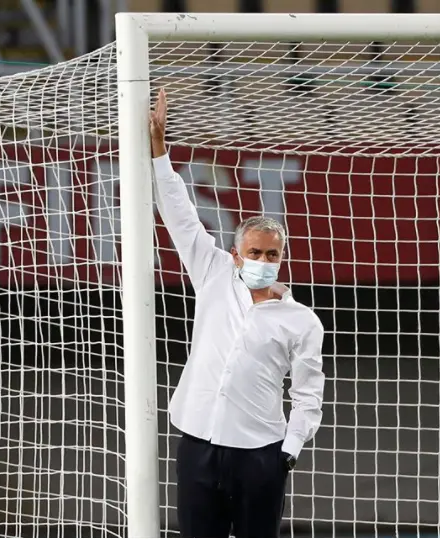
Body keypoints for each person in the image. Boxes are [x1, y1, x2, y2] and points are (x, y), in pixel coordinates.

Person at [150, 88, 325, 538]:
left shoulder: (301, 320)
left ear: (282, 257)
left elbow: (308, 393)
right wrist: (159, 151)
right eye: (254, 252)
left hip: (261, 454)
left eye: (272, 254)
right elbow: (181, 215)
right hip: (197, 443)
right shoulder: (211, 274)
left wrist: (288, 451)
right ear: (234, 253)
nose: (263, 261)